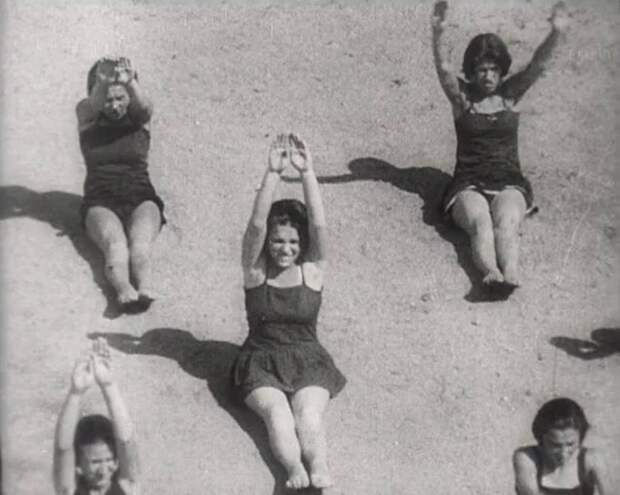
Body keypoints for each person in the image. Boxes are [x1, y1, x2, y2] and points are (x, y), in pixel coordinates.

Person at [232, 133, 346, 490]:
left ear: (303, 244)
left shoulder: (313, 271)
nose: (285, 249)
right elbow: (254, 226)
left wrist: (307, 173)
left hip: (309, 359)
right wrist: (272, 174)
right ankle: (294, 469)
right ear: (268, 243)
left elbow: (319, 225)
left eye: (294, 242)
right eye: (278, 241)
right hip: (260, 361)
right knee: (277, 413)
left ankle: (320, 466)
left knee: (308, 415)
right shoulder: (255, 273)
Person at [431, 1, 568, 291]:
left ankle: (512, 272)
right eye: (481, 70)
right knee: (480, 224)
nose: (488, 76)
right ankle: (491, 272)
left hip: (509, 183)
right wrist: (437, 32)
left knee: (506, 223)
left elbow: (538, 65)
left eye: (493, 69)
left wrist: (556, 32)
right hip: (468, 185)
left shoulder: (510, 95)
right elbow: (443, 69)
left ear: (501, 69)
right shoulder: (462, 100)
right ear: (472, 71)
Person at [77, 56, 165, 313]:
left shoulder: (140, 118)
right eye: (108, 99)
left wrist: (130, 82)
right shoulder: (87, 117)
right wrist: (103, 82)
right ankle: (123, 289)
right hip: (100, 200)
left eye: (120, 98)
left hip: (140, 195)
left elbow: (145, 106)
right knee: (115, 245)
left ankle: (145, 285)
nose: (115, 106)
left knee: (140, 245)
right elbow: (91, 104)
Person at [53, 339, 139, 495]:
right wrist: (75, 393)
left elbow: (126, 442)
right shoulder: (70, 491)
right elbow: (63, 448)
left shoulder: (127, 486)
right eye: (95, 462)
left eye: (109, 460)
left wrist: (109, 385)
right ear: (78, 464)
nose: (103, 471)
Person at [513, 398, 610, 495]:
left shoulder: (592, 459)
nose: (563, 453)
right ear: (541, 438)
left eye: (570, 444)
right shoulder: (527, 458)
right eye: (555, 445)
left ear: (580, 437)